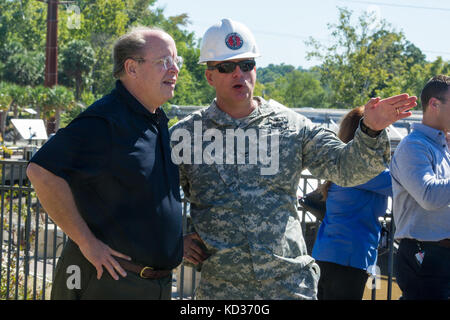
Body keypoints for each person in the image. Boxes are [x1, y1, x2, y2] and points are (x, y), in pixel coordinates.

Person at [170, 18, 416, 300]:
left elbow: (347, 169)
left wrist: (371, 130)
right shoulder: (186, 135)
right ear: (210, 76)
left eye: (247, 65)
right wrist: (173, 241)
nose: (239, 74)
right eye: (227, 67)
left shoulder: (291, 126)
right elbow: (151, 199)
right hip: (222, 291)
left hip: (288, 287)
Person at [26, 27, 184, 300]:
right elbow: (40, 171)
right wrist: (87, 243)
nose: (174, 70)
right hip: (108, 282)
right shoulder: (104, 120)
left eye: (175, 62)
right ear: (132, 68)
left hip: (153, 286)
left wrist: (174, 241)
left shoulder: (156, 120)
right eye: (163, 62)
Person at [311, 106, 392, 300]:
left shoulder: (343, 164)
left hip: (327, 254)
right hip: (348, 259)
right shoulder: (364, 171)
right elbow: (404, 184)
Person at [390, 75, 450, 300]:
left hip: (436, 255)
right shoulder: (413, 146)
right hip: (426, 255)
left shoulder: (442, 148)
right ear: (434, 104)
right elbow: (429, 195)